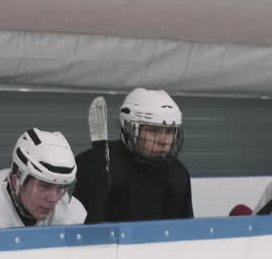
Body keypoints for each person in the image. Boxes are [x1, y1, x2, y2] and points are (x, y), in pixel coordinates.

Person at [73, 88, 193, 223]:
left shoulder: (178, 173)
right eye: (154, 131)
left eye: (170, 131)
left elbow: (184, 230)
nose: (163, 141)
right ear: (129, 128)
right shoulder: (95, 164)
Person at [0, 128, 86, 229]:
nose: (53, 199)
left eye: (62, 188)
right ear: (15, 182)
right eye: (45, 186)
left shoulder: (72, 212)